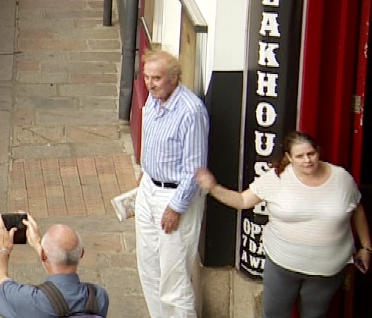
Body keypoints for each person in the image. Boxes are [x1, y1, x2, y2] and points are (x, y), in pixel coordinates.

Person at [197, 131, 371, 318]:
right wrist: (213, 188)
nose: (307, 160)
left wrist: (366, 247)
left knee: (315, 315)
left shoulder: (341, 179)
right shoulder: (275, 179)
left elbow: (357, 209)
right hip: (282, 266)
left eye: (311, 153)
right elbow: (242, 201)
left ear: (318, 152)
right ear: (289, 157)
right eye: (300, 156)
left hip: (327, 270)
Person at [135, 48, 208, 318]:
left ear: (174, 78)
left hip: (174, 196)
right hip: (149, 188)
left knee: (174, 276)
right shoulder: (153, 101)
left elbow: (195, 168)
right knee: (149, 266)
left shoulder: (191, 111)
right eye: (146, 77)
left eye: (157, 78)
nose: (150, 84)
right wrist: (145, 171)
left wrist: (175, 208)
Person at [0, 212, 110, 317]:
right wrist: (40, 246)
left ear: (44, 255)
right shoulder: (98, 296)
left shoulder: (30, 300)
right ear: (81, 253)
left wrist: (2, 249)